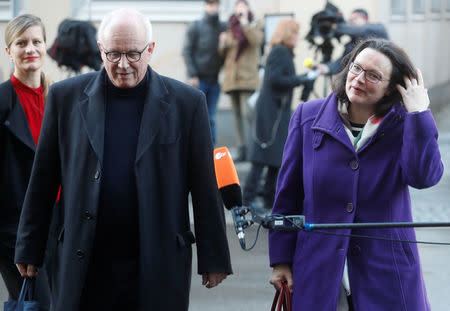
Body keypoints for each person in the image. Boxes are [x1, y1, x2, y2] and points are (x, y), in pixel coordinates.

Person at [14, 8, 232, 311]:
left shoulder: (187, 104)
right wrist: (29, 246)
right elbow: (44, 178)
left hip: (156, 260)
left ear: (150, 50)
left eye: (133, 54)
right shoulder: (65, 98)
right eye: (113, 54)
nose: (123, 65)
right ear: (101, 50)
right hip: (84, 259)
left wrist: (214, 256)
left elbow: (205, 186)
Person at [269, 38, 443, 311]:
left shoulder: (403, 123)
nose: (360, 79)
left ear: (390, 89)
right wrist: (281, 260)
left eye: (373, 75)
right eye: (356, 68)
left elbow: (424, 177)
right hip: (318, 269)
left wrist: (419, 113)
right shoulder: (308, 116)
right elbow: (288, 197)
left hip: (387, 272)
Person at [0, 14, 51, 310]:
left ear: (45, 46)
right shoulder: (3, 101)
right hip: (15, 230)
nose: (30, 48)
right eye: (21, 43)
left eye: (36, 41)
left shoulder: (59, 98)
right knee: (38, 304)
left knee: (32, 304)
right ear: (9, 51)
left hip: (57, 225)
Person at [243, 18, 310, 210]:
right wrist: (301, 79)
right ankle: (248, 200)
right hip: (271, 113)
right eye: (295, 33)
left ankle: (268, 200)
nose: (298, 37)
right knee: (262, 157)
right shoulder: (280, 51)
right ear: (287, 34)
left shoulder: (283, 52)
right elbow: (276, 80)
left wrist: (300, 79)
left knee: (275, 158)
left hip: (276, 112)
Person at [219, 0, 263, 162]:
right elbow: (224, 55)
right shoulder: (230, 26)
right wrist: (222, 45)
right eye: (237, 7)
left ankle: (255, 147)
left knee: (247, 113)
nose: (239, 10)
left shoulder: (254, 24)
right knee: (236, 115)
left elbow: (256, 41)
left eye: (242, 7)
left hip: (247, 78)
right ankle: (242, 149)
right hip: (232, 78)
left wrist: (245, 22)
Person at [182, 0, 227, 146]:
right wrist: (192, 74)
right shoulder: (196, 26)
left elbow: (227, 54)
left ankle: (211, 150)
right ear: (206, 5)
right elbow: (187, 51)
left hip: (214, 81)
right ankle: (194, 148)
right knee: (196, 116)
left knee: (211, 117)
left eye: (215, 4)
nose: (213, 7)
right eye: (210, 4)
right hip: (199, 80)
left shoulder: (223, 28)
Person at [318, 8, 389, 76]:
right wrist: (326, 68)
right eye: (350, 21)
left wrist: (334, 27)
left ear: (365, 19)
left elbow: (361, 30)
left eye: (355, 19)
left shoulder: (378, 28)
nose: (352, 22)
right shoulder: (352, 44)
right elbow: (342, 63)